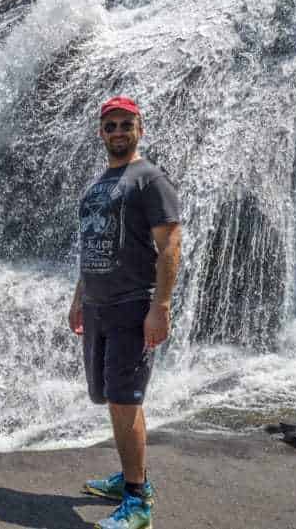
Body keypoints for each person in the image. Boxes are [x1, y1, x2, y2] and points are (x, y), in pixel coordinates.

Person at [68, 95, 182, 529]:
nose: (118, 132)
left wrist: (161, 306)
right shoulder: (99, 183)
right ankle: (131, 476)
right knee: (110, 398)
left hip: (132, 304)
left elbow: (170, 244)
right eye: (110, 125)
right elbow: (91, 244)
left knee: (124, 398)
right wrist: (80, 296)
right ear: (101, 132)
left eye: (125, 125)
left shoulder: (149, 179)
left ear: (140, 129)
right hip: (97, 305)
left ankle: (138, 502)